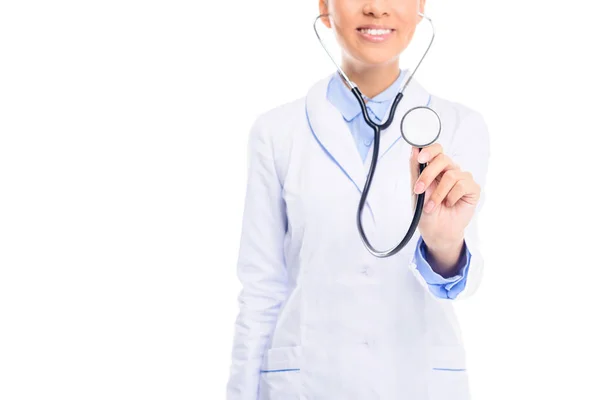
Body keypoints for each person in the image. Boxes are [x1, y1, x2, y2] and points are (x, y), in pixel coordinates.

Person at [226, 0, 490, 399]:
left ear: (420, 5)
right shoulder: (276, 132)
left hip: (417, 381)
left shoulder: (460, 127)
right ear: (324, 7)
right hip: (307, 383)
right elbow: (261, 289)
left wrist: (444, 244)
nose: (376, 8)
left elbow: (463, 284)